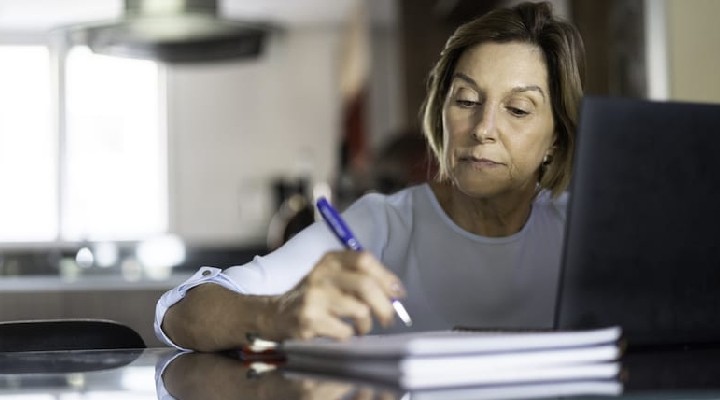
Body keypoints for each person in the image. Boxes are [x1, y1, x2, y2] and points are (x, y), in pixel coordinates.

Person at [154, 1, 585, 352]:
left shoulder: (585, 232)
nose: (483, 128)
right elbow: (177, 311)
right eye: (467, 100)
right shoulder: (380, 225)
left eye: (518, 109)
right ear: (442, 113)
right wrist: (275, 314)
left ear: (555, 138)